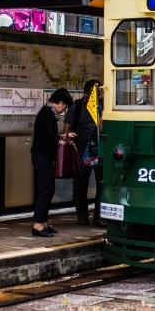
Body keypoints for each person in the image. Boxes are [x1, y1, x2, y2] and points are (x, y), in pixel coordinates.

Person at [31, 88, 73, 237]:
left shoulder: (47, 113)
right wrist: (62, 138)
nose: (64, 110)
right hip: (42, 156)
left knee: (48, 189)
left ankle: (43, 222)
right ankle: (37, 225)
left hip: (43, 156)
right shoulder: (47, 114)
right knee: (46, 189)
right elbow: (49, 137)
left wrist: (63, 136)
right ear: (60, 102)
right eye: (65, 106)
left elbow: (49, 136)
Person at [63, 79, 103, 225]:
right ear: (86, 93)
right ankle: (82, 215)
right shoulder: (77, 106)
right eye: (95, 92)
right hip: (82, 151)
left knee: (102, 184)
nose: (97, 95)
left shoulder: (103, 106)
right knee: (80, 184)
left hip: (100, 151)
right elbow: (66, 128)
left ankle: (99, 216)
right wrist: (67, 139)